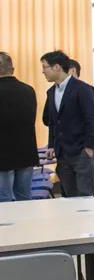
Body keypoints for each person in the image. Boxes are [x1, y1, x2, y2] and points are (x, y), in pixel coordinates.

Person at [41, 50, 94, 197]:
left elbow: (92, 120)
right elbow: (53, 122)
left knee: (85, 195)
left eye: (45, 67)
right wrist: (51, 144)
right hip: (62, 152)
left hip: (81, 151)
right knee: (68, 195)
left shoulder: (82, 89)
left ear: (57, 67)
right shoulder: (51, 92)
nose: (43, 71)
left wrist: (89, 147)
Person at [0, 51, 39, 202]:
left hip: (2, 155)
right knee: (24, 198)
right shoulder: (28, 90)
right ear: (12, 69)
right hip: (26, 152)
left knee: (4, 199)